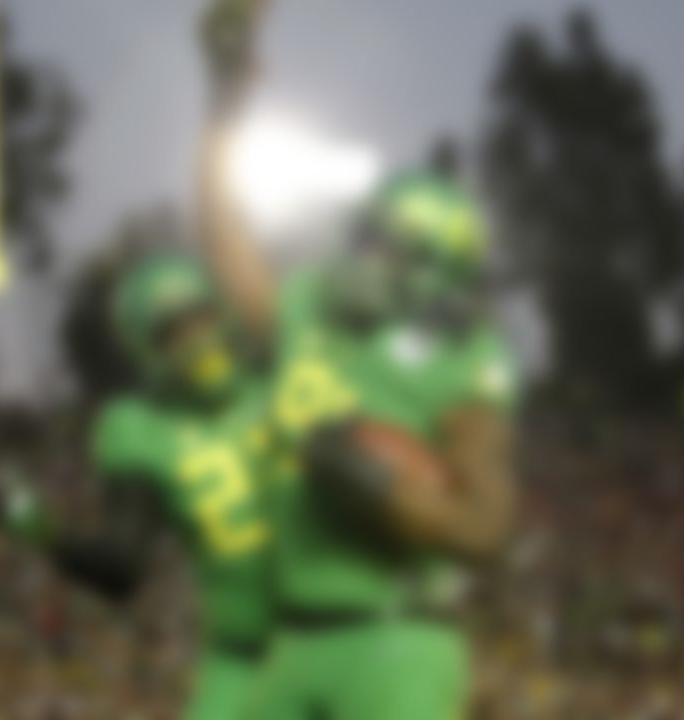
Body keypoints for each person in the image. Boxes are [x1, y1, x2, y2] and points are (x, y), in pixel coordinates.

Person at [197, 2, 519, 717]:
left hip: (396, 638)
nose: (363, 257)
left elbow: (486, 525)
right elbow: (225, 243)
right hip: (293, 640)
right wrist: (223, 104)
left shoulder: (464, 352)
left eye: (387, 246)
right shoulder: (309, 305)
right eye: (363, 237)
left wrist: (380, 489)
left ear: (432, 267)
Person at [0, 256, 276, 720]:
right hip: (243, 658)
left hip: (348, 635)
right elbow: (122, 567)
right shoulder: (142, 429)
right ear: (148, 351)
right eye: (174, 331)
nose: (200, 338)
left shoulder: (283, 380)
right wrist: (36, 525)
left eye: (202, 318)